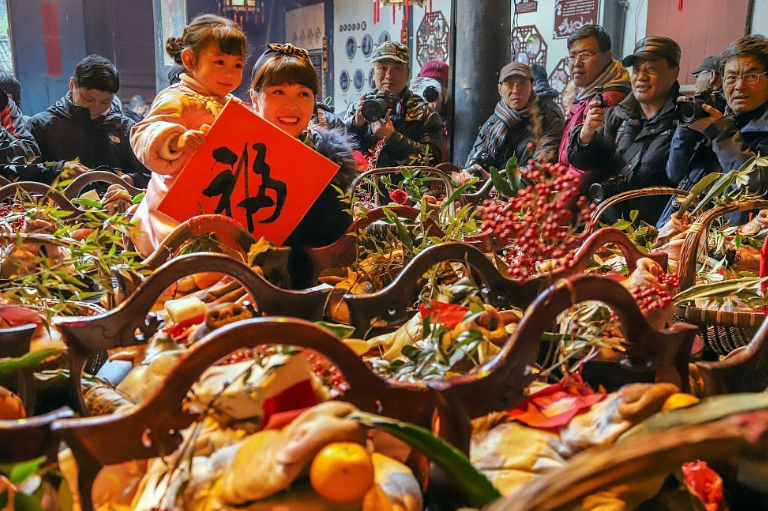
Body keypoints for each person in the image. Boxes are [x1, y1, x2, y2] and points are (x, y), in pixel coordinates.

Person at [129, 14, 249, 257]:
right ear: (190, 60)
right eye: (220, 62)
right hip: (177, 202)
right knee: (192, 257)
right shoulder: (177, 97)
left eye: (237, 65)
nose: (230, 73)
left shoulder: (234, 104)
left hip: (222, 197)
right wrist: (176, 142)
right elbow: (144, 132)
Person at [250, 43, 357, 288]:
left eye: (303, 94)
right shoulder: (234, 153)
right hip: (238, 291)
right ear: (255, 99)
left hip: (312, 292)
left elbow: (335, 241)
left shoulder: (329, 160)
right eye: (278, 92)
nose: (293, 106)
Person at [567, 36, 682, 225]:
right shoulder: (617, 115)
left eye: (651, 69)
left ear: (674, 72)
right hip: (606, 226)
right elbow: (592, 163)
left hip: (652, 235)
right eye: (636, 70)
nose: (641, 76)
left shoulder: (683, 123)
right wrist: (584, 136)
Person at [660, 35, 768, 225]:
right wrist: (686, 130)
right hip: (682, 228)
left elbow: (754, 188)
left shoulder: (720, 125)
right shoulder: (715, 113)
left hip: (730, 243)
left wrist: (720, 133)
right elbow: (675, 173)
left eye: (751, 76)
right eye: (731, 77)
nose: (739, 86)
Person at [27, 55, 150, 187]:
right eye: (88, 99)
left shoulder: (126, 128)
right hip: (60, 206)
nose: (96, 107)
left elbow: (153, 174)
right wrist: (60, 170)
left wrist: (132, 180)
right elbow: (25, 173)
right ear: (72, 84)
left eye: (105, 101)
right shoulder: (41, 126)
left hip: (117, 205)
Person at [558, 25, 631, 195]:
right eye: (573, 55)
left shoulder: (608, 100)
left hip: (585, 203)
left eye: (586, 55)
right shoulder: (586, 94)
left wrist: (556, 205)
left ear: (607, 57)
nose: (577, 63)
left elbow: (588, 169)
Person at [344, 41, 443, 167]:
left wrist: (393, 138)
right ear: (373, 73)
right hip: (362, 185)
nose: (389, 76)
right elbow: (341, 155)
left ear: (407, 73)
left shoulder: (425, 115)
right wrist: (355, 125)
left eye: (396, 68)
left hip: (406, 186)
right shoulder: (358, 108)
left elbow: (432, 161)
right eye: (383, 68)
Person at [465, 62, 563, 175]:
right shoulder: (494, 121)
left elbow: (540, 167)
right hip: (490, 190)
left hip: (527, 191)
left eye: (522, 84)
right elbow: (474, 160)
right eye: (509, 84)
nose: (516, 90)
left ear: (531, 86)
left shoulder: (549, 120)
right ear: (500, 89)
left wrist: (500, 181)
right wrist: (467, 175)